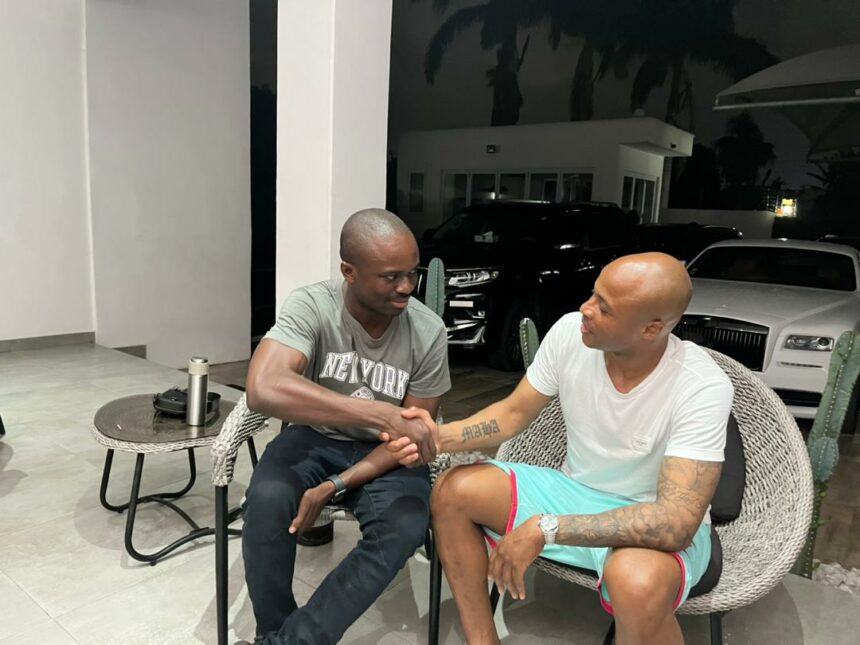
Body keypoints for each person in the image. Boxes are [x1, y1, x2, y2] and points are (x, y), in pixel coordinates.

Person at [389, 252, 733, 644]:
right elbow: (513, 414)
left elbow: (675, 523)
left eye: (605, 307)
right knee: (454, 492)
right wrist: (437, 437)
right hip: (573, 492)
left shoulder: (701, 386)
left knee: (635, 582)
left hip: (649, 514)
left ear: (651, 328)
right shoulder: (571, 332)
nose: (586, 308)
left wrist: (548, 528)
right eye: (593, 294)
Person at [241, 208, 450, 645]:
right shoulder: (313, 305)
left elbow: (410, 436)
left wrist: (336, 483)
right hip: (313, 436)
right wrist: (379, 414)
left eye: (412, 273)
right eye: (391, 277)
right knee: (266, 499)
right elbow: (263, 386)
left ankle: (288, 642)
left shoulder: (428, 332)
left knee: (404, 526)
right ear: (349, 272)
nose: (407, 287)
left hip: (386, 454)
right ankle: (274, 631)